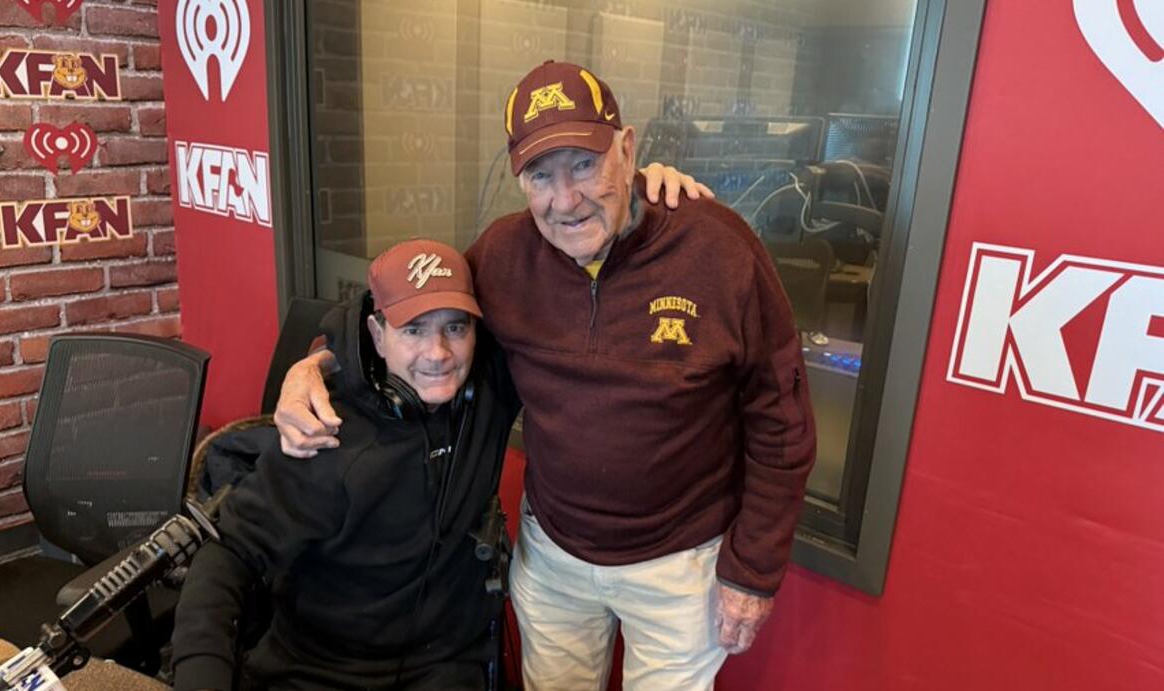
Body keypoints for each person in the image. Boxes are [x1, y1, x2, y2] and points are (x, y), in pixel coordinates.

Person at [277, 61, 817, 691]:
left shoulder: (717, 248)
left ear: (628, 150)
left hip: (681, 566)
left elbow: (782, 417)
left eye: (584, 164)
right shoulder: (505, 256)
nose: (565, 200)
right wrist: (318, 361)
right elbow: (414, 314)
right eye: (540, 175)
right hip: (555, 558)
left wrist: (752, 569)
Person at [171, 239, 522, 691]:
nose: (438, 353)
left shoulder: (488, 391)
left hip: (445, 665)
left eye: (455, 328)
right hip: (317, 669)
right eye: (413, 330)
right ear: (377, 334)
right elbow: (228, 555)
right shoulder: (324, 433)